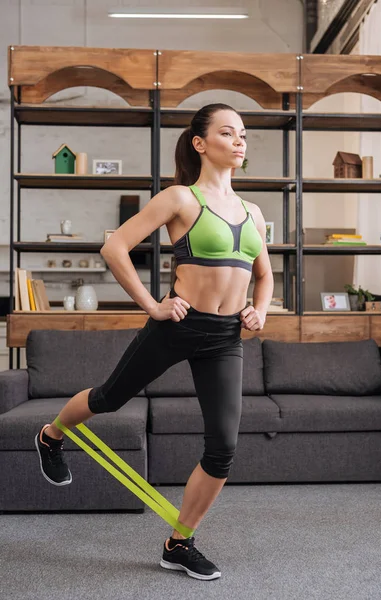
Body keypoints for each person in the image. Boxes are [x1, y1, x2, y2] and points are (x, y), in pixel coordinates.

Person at [35, 103, 274, 581]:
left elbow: (264, 275)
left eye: (243, 134)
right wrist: (152, 305)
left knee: (223, 447)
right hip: (177, 324)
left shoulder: (253, 212)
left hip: (225, 337)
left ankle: (179, 541)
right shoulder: (180, 199)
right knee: (108, 398)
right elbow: (114, 247)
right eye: (228, 133)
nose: (240, 141)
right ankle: (51, 434)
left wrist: (260, 309)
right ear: (201, 143)